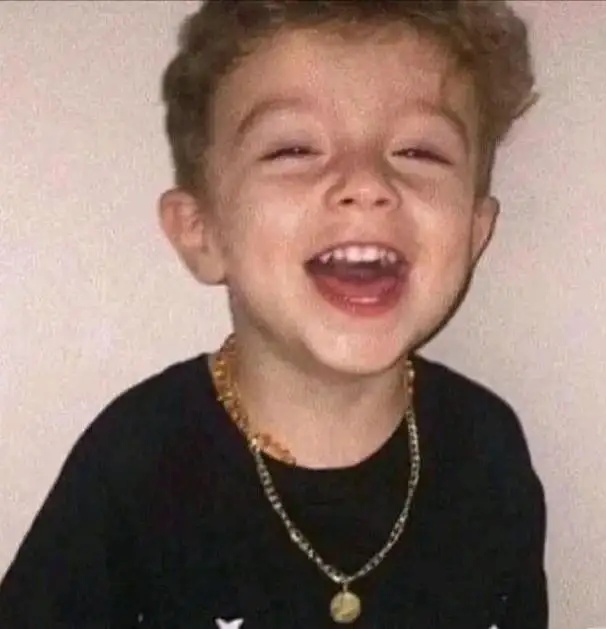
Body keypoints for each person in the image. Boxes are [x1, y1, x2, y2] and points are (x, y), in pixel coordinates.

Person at [0, 1, 547, 627]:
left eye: (419, 151)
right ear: (201, 231)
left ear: (476, 231)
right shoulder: (137, 463)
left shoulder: (488, 450)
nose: (366, 183)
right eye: (294, 148)